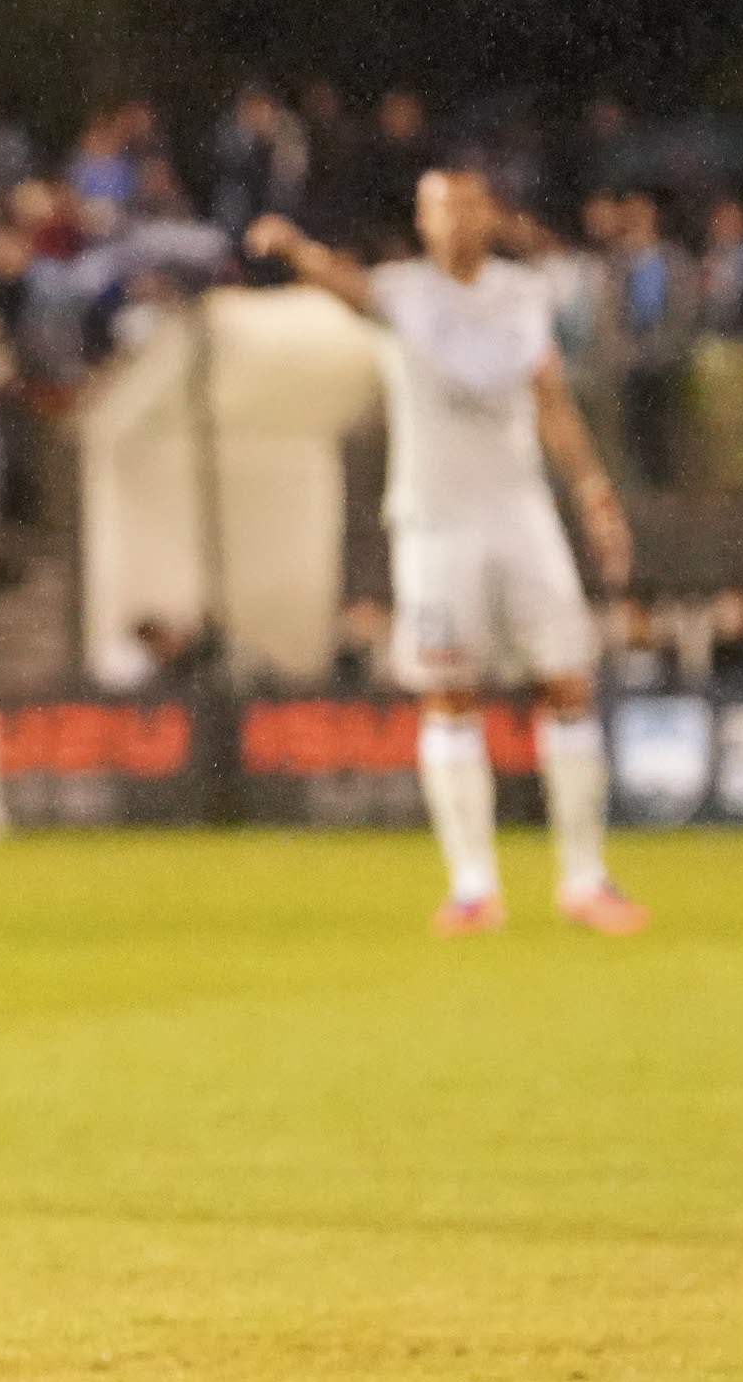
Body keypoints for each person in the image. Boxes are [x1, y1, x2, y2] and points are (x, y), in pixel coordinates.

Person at [250, 175, 648, 936]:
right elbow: (347, 285)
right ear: (421, 219)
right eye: (438, 207)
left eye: (466, 205)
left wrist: (595, 495)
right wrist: (298, 251)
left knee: (567, 681)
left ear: (490, 215)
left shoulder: (522, 294)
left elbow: (552, 401)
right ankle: (473, 887)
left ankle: (586, 877)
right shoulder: (403, 293)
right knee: (448, 693)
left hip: (520, 514)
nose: (454, 219)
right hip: (436, 522)